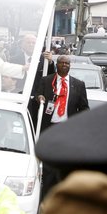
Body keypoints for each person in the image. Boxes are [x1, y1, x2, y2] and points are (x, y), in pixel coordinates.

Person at [36, 54, 89, 198]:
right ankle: (46, 195)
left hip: (67, 130)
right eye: (62, 63)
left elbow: (84, 108)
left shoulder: (78, 84)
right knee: (48, 163)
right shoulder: (47, 81)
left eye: (67, 63)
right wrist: (40, 98)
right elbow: (38, 94)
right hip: (49, 128)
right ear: (57, 65)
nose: (65, 65)